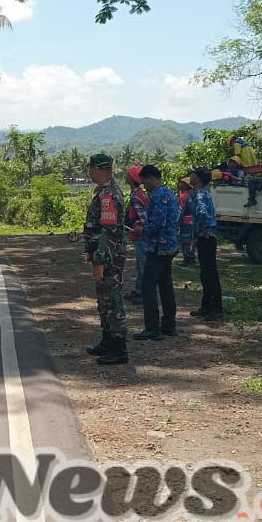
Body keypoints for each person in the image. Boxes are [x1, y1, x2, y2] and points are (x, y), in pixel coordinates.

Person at [82, 154, 129, 365]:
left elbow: (109, 231)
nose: (88, 172)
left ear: (98, 169)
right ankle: (108, 341)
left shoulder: (109, 195)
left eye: (90, 168)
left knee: (112, 301)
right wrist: (90, 251)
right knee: (104, 301)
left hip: (109, 257)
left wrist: (100, 261)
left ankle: (119, 348)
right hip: (103, 255)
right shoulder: (104, 192)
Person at [135, 165, 179, 340]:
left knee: (148, 285)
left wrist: (142, 231)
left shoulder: (159, 196)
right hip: (170, 245)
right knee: (165, 285)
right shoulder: (169, 193)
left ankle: (152, 328)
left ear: (151, 178)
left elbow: (158, 222)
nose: (144, 186)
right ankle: (169, 325)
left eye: (145, 182)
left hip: (159, 246)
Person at [186, 167, 223, 321]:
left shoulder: (200, 195)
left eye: (193, 174)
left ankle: (216, 309)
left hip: (206, 237)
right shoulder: (203, 193)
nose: (190, 177)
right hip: (208, 237)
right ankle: (207, 306)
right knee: (206, 273)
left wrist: (200, 231)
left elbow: (202, 213)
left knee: (209, 273)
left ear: (198, 178)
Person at [123, 165, 149, 305]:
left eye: (128, 174)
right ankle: (139, 290)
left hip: (140, 234)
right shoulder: (141, 193)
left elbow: (143, 217)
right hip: (140, 233)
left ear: (132, 178)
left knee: (143, 264)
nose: (126, 176)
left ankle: (143, 293)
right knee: (141, 263)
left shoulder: (136, 196)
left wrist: (140, 229)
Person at [177, 177, 196, 266]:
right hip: (193, 221)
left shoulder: (183, 196)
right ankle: (191, 258)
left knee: (185, 240)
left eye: (181, 183)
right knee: (191, 240)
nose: (179, 184)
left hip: (185, 221)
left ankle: (186, 259)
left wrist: (176, 224)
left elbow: (180, 211)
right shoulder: (192, 194)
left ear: (186, 185)